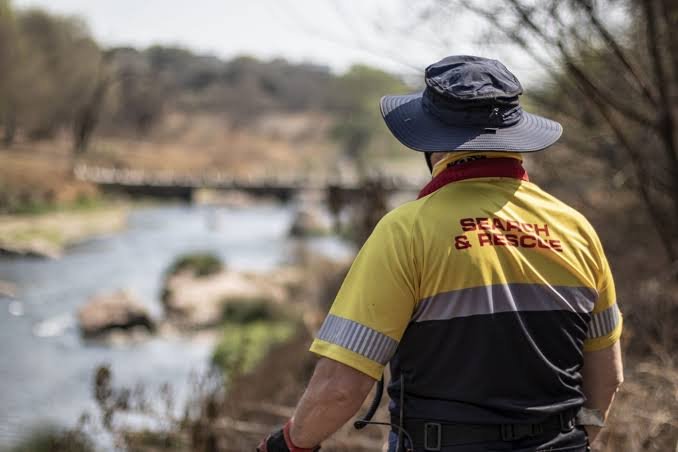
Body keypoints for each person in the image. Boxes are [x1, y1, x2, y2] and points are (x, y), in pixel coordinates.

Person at [257, 55, 624, 452]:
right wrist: (579, 437)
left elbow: (340, 388)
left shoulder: (406, 232)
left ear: (431, 143)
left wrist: (288, 444)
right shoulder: (576, 229)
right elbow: (608, 377)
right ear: (515, 138)